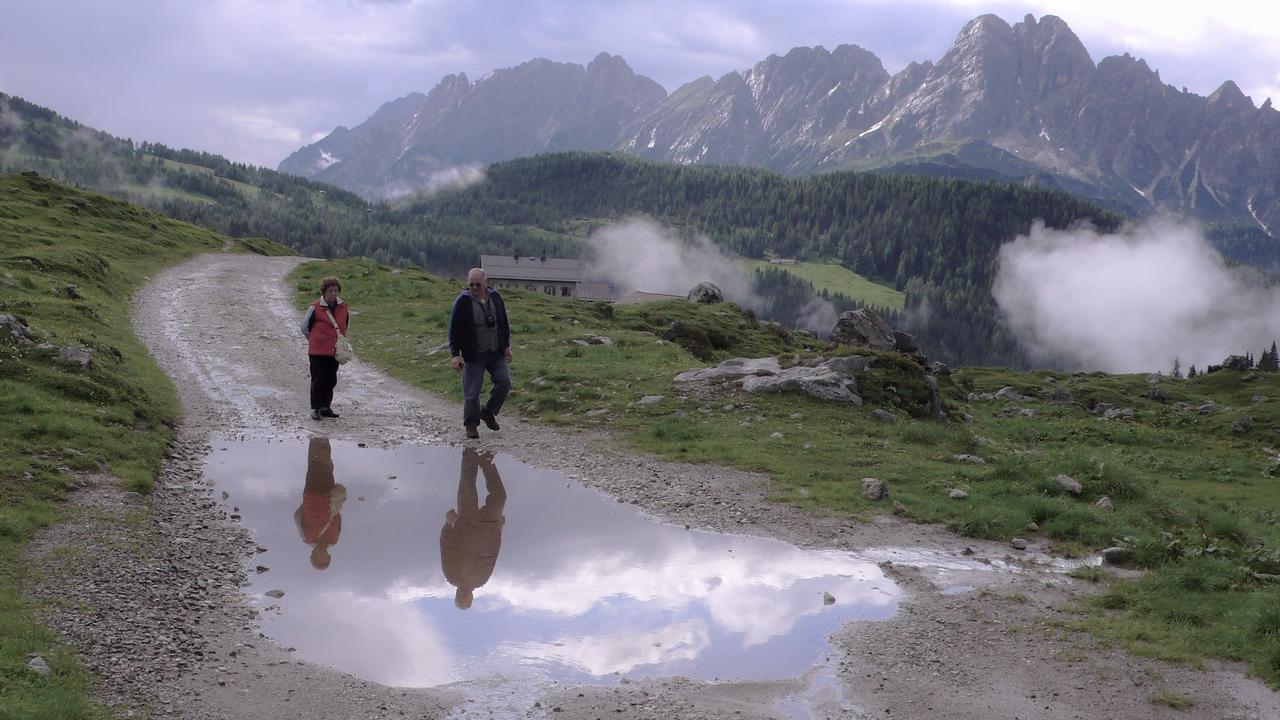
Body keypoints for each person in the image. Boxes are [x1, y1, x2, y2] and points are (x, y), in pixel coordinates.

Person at [448, 268, 512, 439]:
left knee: (505, 382)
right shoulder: (462, 302)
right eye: (471, 284)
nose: (474, 287)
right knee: (472, 392)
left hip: (496, 350)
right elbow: (453, 331)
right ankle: (471, 425)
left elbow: (503, 323)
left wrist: (506, 346)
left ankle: (488, 412)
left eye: (478, 284)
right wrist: (455, 354)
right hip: (474, 353)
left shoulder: (496, 297)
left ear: (486, 283)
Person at [440, 448, 507, 609]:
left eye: (461, 598)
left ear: (457, 595)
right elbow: (492, 554)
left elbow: (447, 548)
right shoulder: (481, 580)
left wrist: (449, 525)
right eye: (466, 600)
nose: (464, 596)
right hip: (489, 526)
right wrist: (498, 529)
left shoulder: (452, 576)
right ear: (471, 598)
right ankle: (486, 460)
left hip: (466, 525)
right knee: (499, 497)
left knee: (468, 486)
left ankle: (470, 451)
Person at [300, 276, 349, 421]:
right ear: (324, 291)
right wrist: (313, 340)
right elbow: (304, 327)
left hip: (334, 350)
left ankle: (326, 407)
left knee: (330, 379)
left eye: (335, 290)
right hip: (317, 351)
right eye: (330, 291)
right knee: (318, 380)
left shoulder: (343, 307)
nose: (333, 294)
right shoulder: (315, 307)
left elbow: (345, 324)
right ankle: (315, 408)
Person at [294, 437, 347, 570]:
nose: (323, 555)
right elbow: (338, 518)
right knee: (327, 467)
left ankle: (317, 436)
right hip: (329, 495)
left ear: (313, 554)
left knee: (316, 465)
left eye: (320, 557)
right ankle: (322, 437)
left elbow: (297, 516)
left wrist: (308, 504)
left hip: (312, 494)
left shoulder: (307, 537)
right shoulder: (334, 540)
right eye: (326, 557)